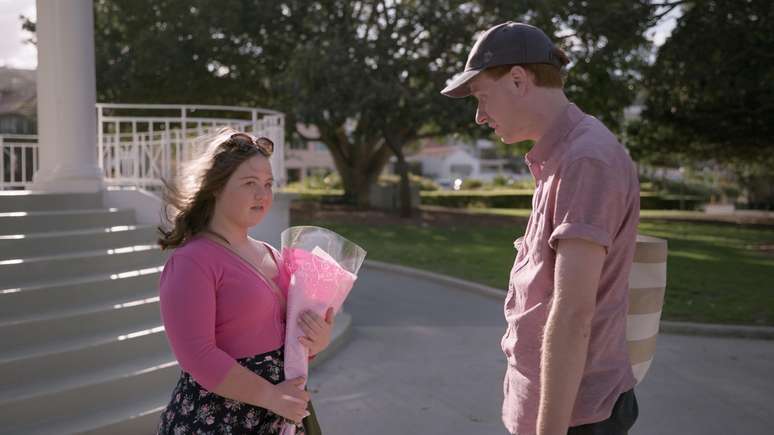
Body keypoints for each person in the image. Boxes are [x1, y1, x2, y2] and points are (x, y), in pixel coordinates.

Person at [441, 22, 640, 435]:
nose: (479, 117)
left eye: (481, 97)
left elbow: (572, 313)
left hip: (576, 419)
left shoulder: (585, 159)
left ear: (518, 79)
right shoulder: (561, 155)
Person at [155, 127, 331, 434]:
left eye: (267, 184)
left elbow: (288, 339)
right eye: (250, 183)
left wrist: (317, 340)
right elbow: (198, 357)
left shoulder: (273, 255)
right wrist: (270, 396)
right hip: (218, 420)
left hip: (279, 416)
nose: (263, 195)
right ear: (215, 188)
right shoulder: (192, 262)